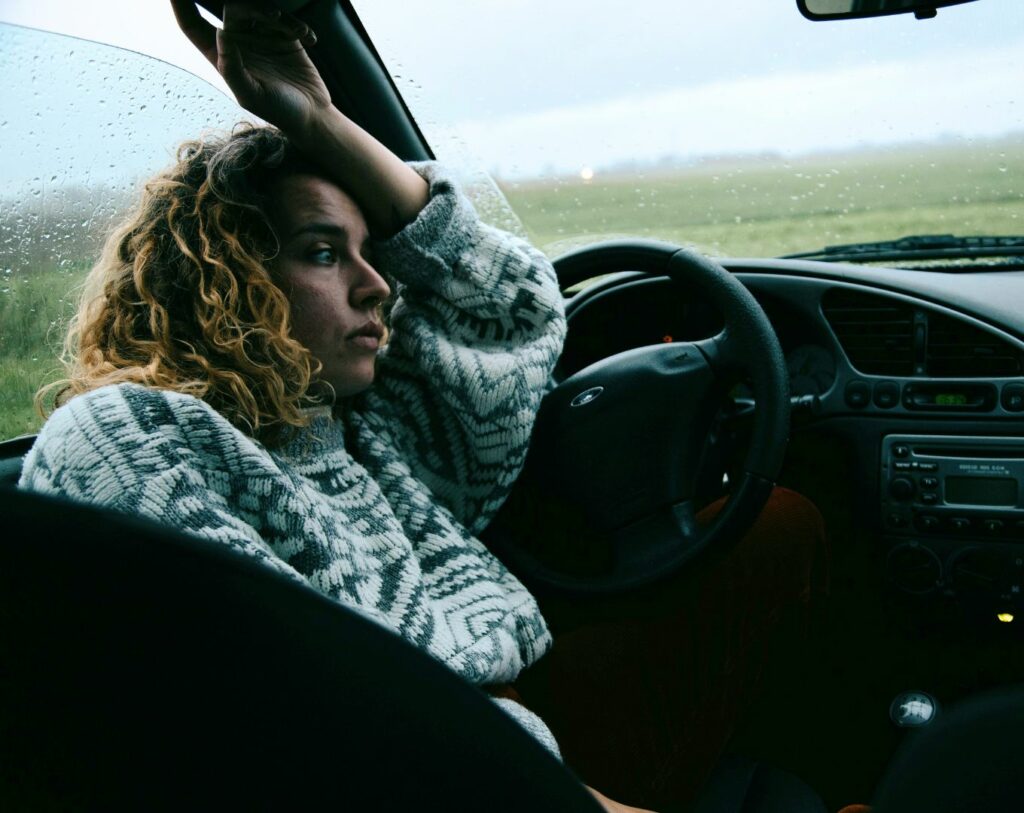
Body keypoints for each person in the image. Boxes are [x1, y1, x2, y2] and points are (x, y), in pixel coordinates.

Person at [18, 3, 827, 811]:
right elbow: (300, 724)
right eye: (325, 252)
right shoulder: (132, 439)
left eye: (374, 253)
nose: (378, 286)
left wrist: (324, 121)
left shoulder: (360, 428)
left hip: (502, 731)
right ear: (223, 280)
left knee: (777, 524)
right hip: (444, 769)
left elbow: (510, 308)